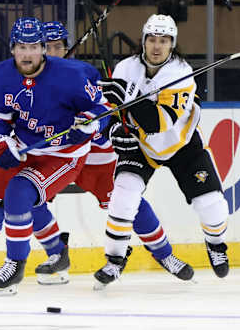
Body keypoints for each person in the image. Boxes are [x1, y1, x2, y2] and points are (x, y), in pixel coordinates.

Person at [0, 17, 110, 296]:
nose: (26, 53)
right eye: (21, 46)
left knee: (18, 190)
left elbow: (102, 110)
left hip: (63, 154)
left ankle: (14, 265)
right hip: (24, 147)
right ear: (12, 48)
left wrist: (89, 125)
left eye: (33, 47)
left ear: (43, 48)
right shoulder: (1, 74)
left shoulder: (71, 75)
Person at [94, 14, 230, 288]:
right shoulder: (125, 68)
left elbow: (158, 123)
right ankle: (114, 261)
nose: (157, 46)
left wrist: (128, 96)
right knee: (123, 194)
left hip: (182, 144)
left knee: (212, 206)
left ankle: (216, 244)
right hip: (141, 145)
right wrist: (112, 130)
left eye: (164, 41)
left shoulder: (181, 74)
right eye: (152, 40)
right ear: (143, 41)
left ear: (173, 44)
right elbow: (106, 111)